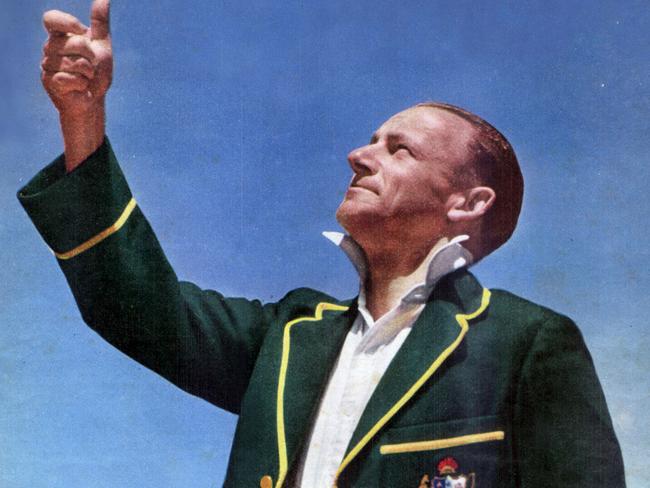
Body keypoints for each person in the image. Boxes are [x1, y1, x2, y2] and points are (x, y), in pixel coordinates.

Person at [19, 1, 625, 487]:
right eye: (372, 141)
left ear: (467, 204)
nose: (358, 155)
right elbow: (134, 305)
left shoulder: (526, 344)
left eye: (399, 149)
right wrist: (82, 118)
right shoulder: (287, 337)